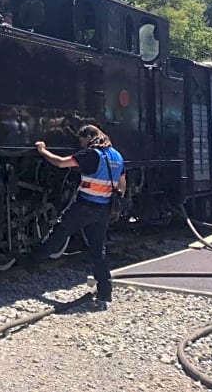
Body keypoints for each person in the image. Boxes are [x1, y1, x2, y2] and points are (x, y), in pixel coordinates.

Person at [23, 124, 126, 310]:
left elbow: (61, 163)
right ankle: (105, 292)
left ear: (88, 137)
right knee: (98, 250)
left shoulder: (91, 154)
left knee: (60, 232)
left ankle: (32, 261)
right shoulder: (117, 156)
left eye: (82, 140)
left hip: (84, 206)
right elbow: (122, 185)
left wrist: (43, 151)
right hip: (103, 210)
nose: (81, 144)